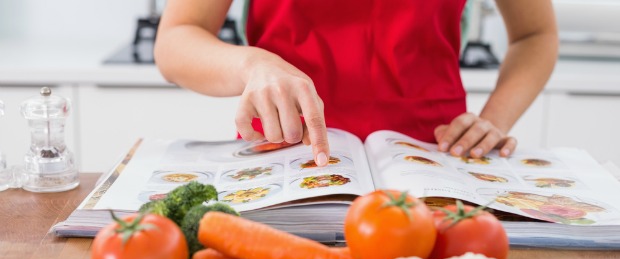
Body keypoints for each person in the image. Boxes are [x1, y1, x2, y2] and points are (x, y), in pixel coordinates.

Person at [154, 0, 557, 167]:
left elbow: (534, 35)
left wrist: (494, 121)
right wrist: (251, 64)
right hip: (285, 158)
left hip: (435, 160)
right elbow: (175, 40)